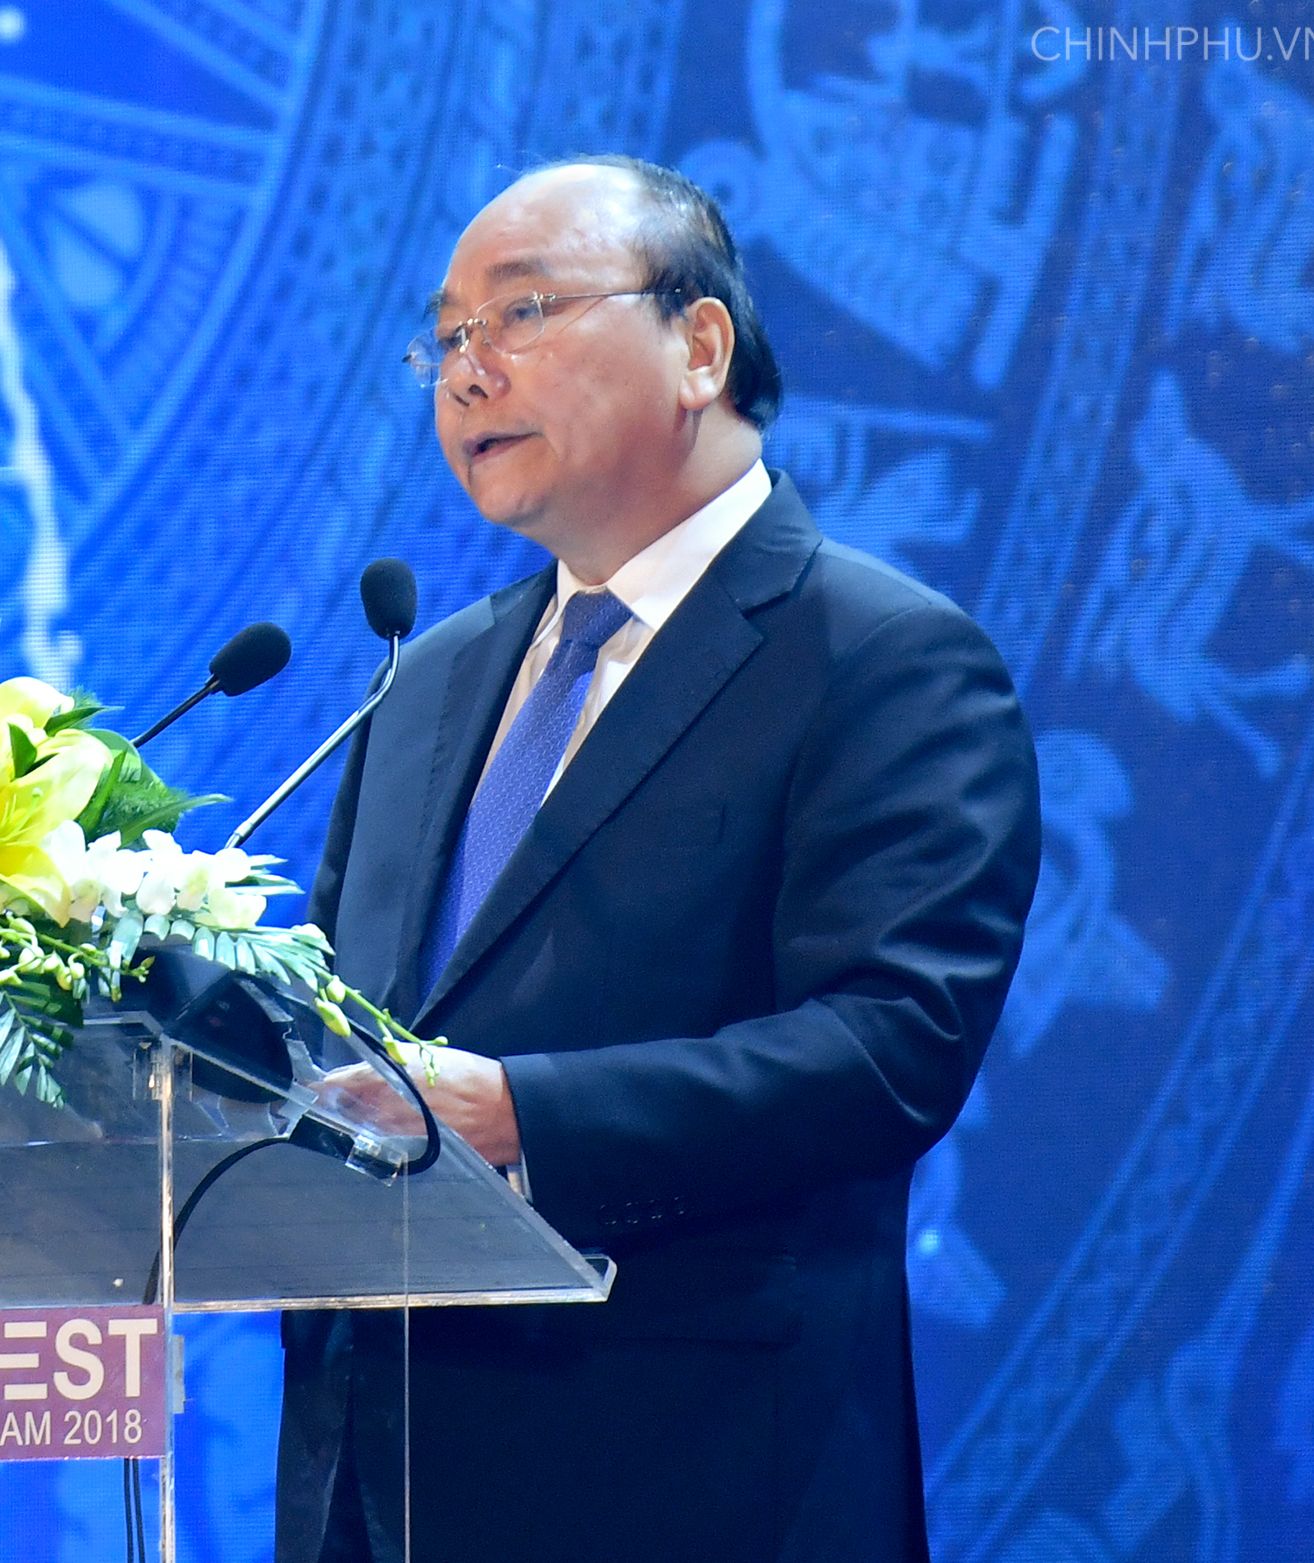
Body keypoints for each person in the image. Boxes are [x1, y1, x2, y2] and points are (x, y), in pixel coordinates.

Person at [278, 156, 1041, 1562]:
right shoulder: (426, 681)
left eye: (523, 313)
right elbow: (342, 1028)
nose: (468, 373)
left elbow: (893, 1048)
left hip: (694, 1480)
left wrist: (526, 1115)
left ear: (700, 347)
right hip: (376, 1490)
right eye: (446, 337)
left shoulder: (881, 659)